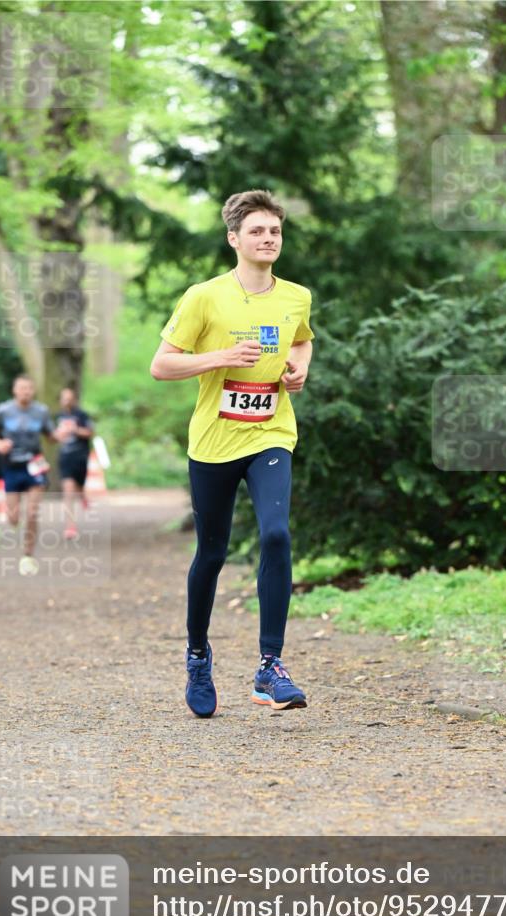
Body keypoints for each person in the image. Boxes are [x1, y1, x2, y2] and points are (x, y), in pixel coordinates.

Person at [150, 189, 314, 717]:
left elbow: (302, 339)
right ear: (234, 239)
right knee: (213, 555)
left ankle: (271, 667)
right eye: (258, 232)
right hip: (214, 440)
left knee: (275, 532)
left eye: (275, 232)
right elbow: (162, 365)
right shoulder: (204, 297)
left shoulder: (295, 296)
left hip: (270, 433)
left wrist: (298, 365)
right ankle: (198, 655)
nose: (269, 239)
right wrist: (219, 357)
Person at [0, 374, 56, 576]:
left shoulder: (41, 411)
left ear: (33, 391)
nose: (26, 392)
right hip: (11, 467)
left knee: (32, 513)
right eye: (22, 388)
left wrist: (63, 434)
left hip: (34, 466)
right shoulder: (2, 411)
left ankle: (28, 555)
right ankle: (17, 528)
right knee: (12, 517)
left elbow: (51, 437)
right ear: (15, 390)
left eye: (29, 388)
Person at [54, 387, 93, 539]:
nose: (67, 401)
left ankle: (83, 496)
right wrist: (59, 434)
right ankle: (70, 526)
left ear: (74, 399)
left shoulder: (82, 415)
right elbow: (53, 436)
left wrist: (75, 430)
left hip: (81, 457)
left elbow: (89, 432)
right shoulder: (58, 417)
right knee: (68, 490)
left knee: (78, 486)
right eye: (64, 398)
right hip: (65, 457)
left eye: (69, 398)